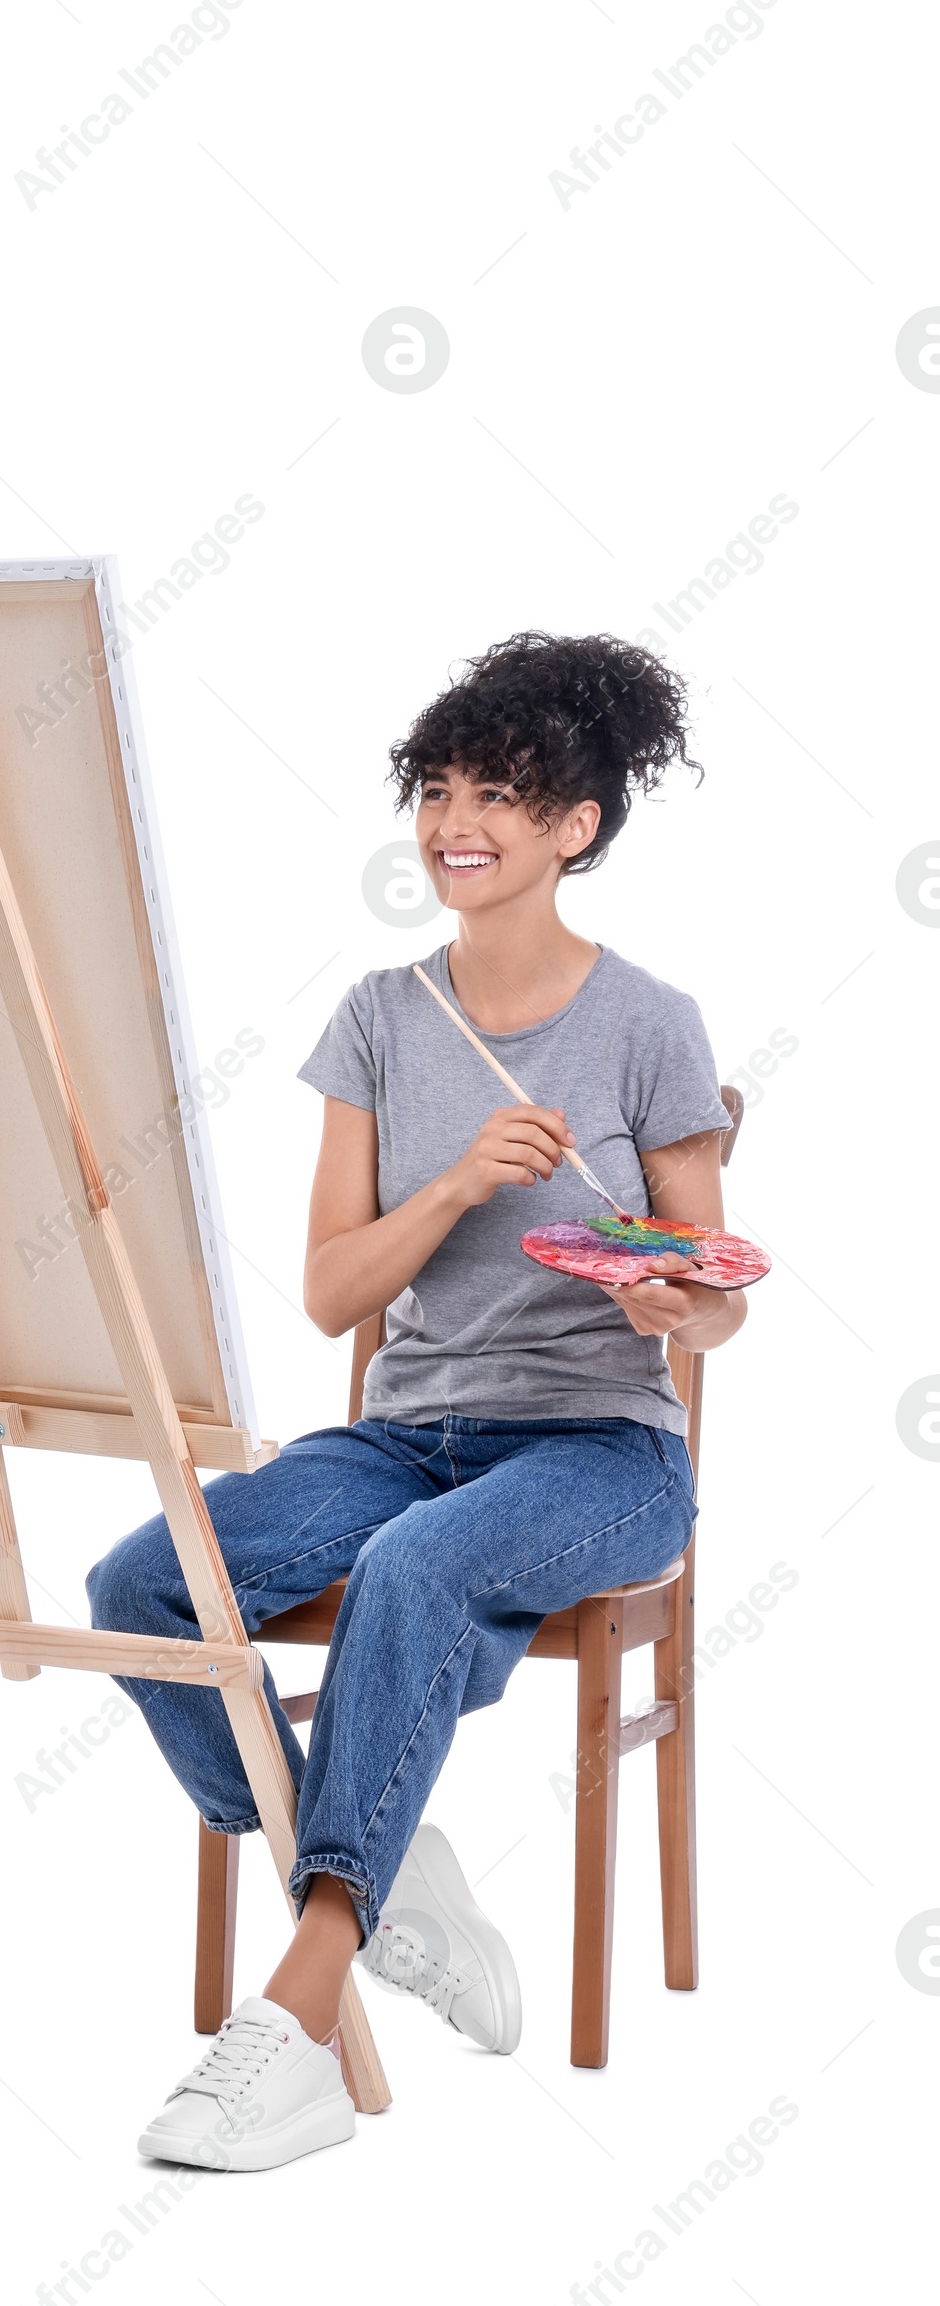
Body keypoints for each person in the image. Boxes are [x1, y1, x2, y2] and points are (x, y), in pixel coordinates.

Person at [86, 631, 747, 2172]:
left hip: (602, 1447)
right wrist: (457, 1179)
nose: (459, 819)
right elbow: (331, 1295)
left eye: (501, 794)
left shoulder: (651, 1022)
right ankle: (382, 1860)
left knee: (411, 1570)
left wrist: (670, 1300)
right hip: (407, 1432)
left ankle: (298, 2019)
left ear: (577, 826)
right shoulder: (381, 1018)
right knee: (142, 1581)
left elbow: (713, 1301)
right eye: (441, 789)